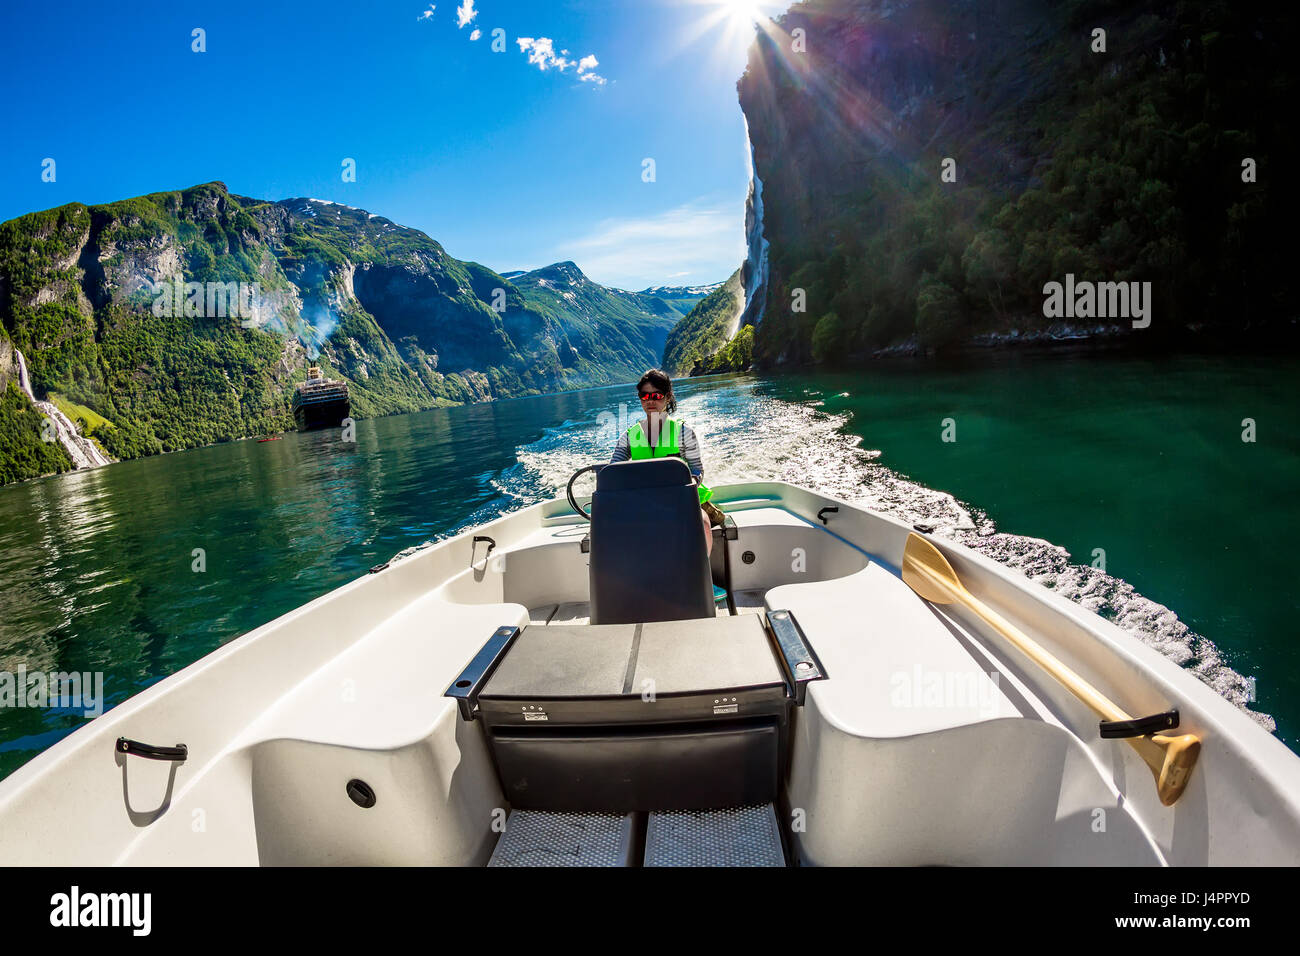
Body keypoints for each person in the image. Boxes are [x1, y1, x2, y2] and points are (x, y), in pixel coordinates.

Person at [609, 369, 722, 558]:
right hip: (645, 500)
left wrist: (691, 483)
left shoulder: (684, 432)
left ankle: (701, 574)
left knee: (703, 523)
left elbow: (696, 468)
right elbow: (612, 470)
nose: (650, 401)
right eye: (644, 396)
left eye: (656, 395)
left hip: (683, 499)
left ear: (667, 397)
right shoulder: (629, 436)